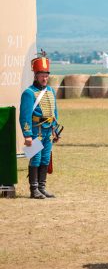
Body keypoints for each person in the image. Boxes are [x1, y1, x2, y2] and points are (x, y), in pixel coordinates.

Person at [19, 52, 59, 199]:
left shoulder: (51, 91)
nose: (45, 78)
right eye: (42, 75)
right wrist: (27, 135)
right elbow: (24, 116)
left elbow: (54, 111)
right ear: (36, 75)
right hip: (36, 131)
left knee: (45, 159)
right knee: (35, 158)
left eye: (47, 75)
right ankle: (34, 189)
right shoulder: (29, 93)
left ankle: (42, 188)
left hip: (48, 131)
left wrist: (55, 129)